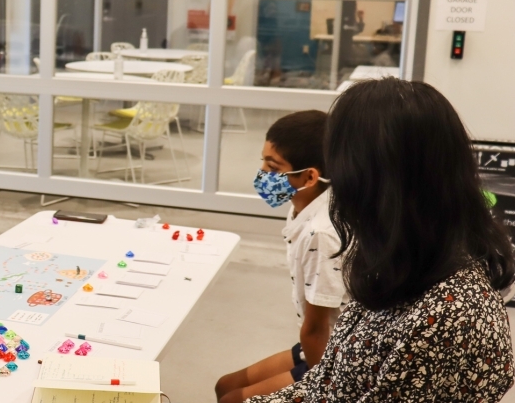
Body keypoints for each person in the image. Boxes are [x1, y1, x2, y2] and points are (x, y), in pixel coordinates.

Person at [248, 78, 515, 402]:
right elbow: (330, 378)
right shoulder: (407, 263)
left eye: (343, 169)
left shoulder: (438, 316)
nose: (338, 190)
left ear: (378, 182)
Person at [215, 111, 347, 403]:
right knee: (225, 386)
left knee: (231, 400)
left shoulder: (321, 234)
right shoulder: (308, 201)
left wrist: (318, 390)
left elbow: (315, 329)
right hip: (320, 344)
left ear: (310, 176)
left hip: (337, 358)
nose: (261, 172)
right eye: (263, 160)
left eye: (272, 166)